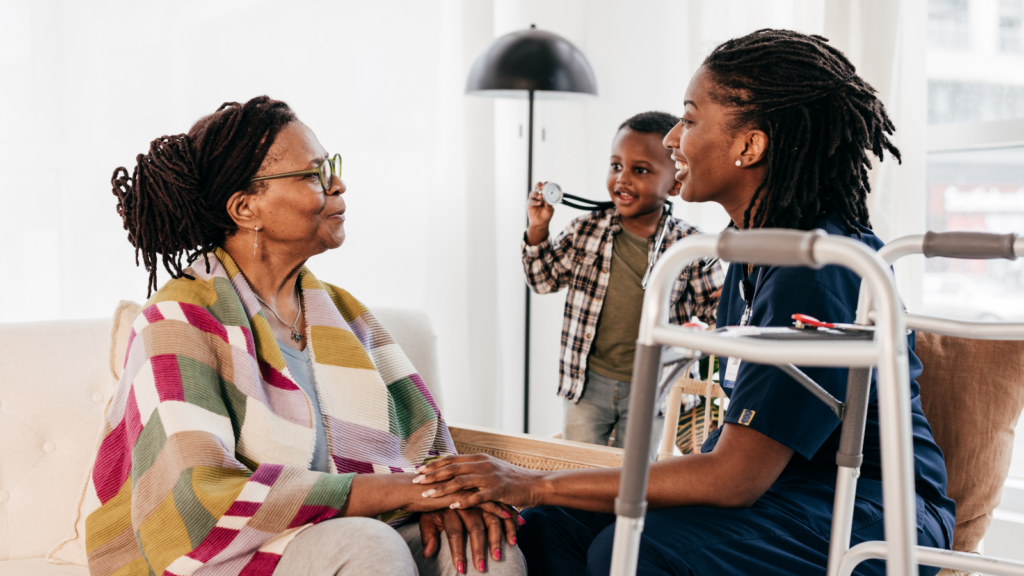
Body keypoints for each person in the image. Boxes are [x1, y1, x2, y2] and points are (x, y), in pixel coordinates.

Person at [413, 30, 955, 575]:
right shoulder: (748, 251)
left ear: (750, 146)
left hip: (876, 512)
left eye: (691, 119)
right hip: (782, 497)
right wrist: (537, 495)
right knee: (552, 530)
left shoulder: (822, 269)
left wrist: (535, 482)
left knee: (630, 548)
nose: (673, 137)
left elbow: (735, 477)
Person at [87, 96, 526, 576]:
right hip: (232, 548)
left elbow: (425, 446)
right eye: (313, 173)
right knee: (368, 544)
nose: (338, 184)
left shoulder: (343, 313)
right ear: (246, 207)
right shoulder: (176, 321)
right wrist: (411, 492)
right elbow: (196, 497)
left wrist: (444, 496)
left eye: (329, 167)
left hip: (352, 523)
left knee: (489, 553)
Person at [523, 111, 724, 451]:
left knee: (635, 477)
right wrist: (538, 228)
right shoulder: (586, 229)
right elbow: (543, 280)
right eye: (616, 166)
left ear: (675, 183)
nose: (623, 179)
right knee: (580, 469)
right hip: (586, 384)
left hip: (653, 388)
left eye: (640, 170)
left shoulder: (690, 246)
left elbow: (718, 315)